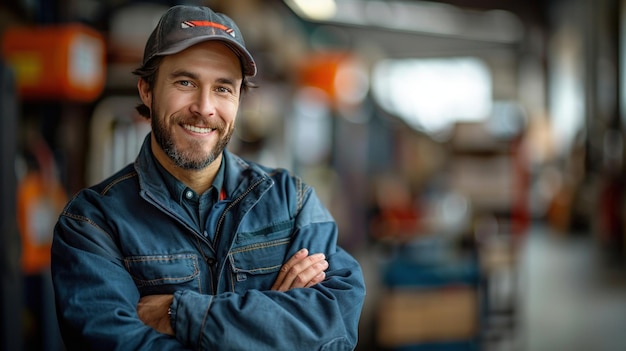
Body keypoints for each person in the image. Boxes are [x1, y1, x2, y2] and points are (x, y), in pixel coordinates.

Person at [51, 5, 366, 351]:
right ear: (146, 90)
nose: (204, 107)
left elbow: (334, 330)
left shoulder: (292, 202)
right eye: (185, 82)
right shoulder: (92, 224)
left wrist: (180, 312)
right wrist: (271, 327)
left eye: (223, 88)